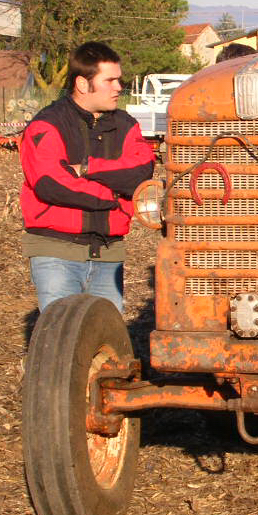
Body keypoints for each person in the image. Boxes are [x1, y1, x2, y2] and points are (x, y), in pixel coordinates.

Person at [19, 42, 154, 313]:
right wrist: (115, 197)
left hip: (109, 252)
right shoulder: (47, 124)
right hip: (56, 252)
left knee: (106, 339)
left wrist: (86, 168)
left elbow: (141, 172)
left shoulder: (127, 125)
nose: (119, 87)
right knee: (61, 340)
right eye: (110, 80)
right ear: (83, 84)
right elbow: (52, 184)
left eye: (119, 79)